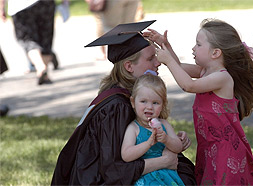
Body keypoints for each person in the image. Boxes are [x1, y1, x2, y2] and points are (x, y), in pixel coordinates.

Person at [51, 20, 196, 185]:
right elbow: (114, 170)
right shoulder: (117, 107)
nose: (158, 63)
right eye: (150, 59)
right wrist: (164, 161)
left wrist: (170, 140)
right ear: (129, 66)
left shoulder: (124, 94)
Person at [147, 19, 253, 185]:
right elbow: (179, 67)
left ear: (215, 53)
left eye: (198, 44)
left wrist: (167, 60)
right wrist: (165, 45)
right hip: (209, 147)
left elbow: (188, 85)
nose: (193, 48)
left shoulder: (222, 77)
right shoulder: (205, 71)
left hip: (226, 150)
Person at [121, 73, 185, 186]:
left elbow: (178, 147)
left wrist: (166, 139)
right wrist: (148, 143)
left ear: (162, 105)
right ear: (133, 102)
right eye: (143, 101)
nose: (149, 107)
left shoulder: (164, 124)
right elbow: (126, 155)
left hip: (168, 178)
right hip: (146, 179)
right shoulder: (133, 128)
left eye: (155, 103)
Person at [0, 0, 60, 85]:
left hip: (20, 5)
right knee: (46, 38)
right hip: (45, 3)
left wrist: (2, 7)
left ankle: (40, 66)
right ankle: (45, 72)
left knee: (28, 40)